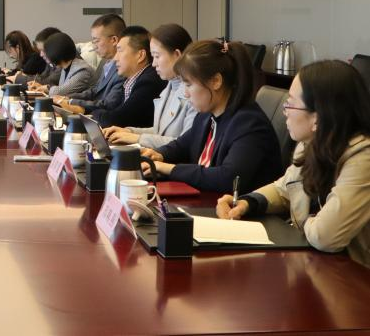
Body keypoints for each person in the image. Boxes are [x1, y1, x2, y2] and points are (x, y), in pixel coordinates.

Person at [216, 60, 370, 267]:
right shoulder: (311, 144)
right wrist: (248, 203)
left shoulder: (363, 159)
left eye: (290, 103)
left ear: (318, 118)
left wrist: (302, 221)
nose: (285, 111)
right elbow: (286, 188)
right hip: (314, 265)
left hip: (353, 276)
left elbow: (325, 236)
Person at [141, 40, 282, 193]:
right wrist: (159, 155)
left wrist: (170, 169)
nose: (186, 94)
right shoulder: (206, 115)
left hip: (234, 206)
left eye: (189, 85)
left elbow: (228, 178)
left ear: (216, 81)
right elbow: (183, 145)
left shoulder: (249, 124)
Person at [104, 23, 197, 147]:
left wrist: (138, 138)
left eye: (157, 56)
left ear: (177, 55)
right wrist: (129, 131)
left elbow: (185, 144)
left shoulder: (195, 94)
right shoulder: (169, 87)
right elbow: (160, 131)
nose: (153, 64)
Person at [56, 26, 165, 127]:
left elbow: (116, 118)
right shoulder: (131, 80)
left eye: (120, 51)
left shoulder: (149, 81)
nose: (116, 58)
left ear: (140, 55)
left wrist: (85, 111)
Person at [52, 13, 126, 113]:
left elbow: (109, 104)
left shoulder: (124, 69)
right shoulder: (106, 62)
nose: (94, 46)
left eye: (96, 41)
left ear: (114, 40)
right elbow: (95, 90)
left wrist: (72, 102)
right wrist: (68, 98)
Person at [39, 32, 94, 97]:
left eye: (46, 52)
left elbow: (59, 93)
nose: (41, 55)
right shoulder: (65, 68)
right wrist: (46, 87)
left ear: (55, 53)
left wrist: (47, 88)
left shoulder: (83, 71)